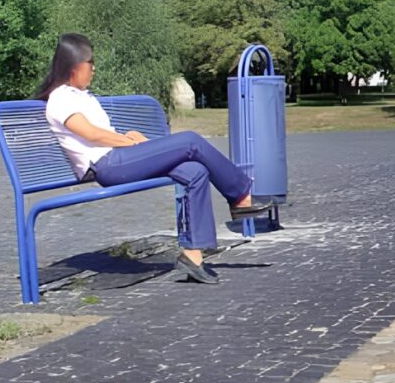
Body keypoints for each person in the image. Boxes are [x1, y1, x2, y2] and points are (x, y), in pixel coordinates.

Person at [35, 32, 262, 285]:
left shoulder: (81, 95)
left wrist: (126, 136)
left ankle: (192, 256)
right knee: (190, 141)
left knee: (194, 171)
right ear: (74, 66)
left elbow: (98, 135)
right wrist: (128, 141)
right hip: (108, 166)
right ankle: (241, 195)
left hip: (117, 157)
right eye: (90, 63)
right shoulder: (61, 98)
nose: (94, 68)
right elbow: (91, 135)